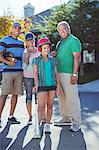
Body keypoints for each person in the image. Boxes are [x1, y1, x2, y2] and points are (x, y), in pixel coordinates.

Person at [52, 21, 82, 132]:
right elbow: (59, 55)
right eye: (59, 29)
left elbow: (77, 58)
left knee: (72, 98)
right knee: (61, 97)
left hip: (69, 73)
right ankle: (66, 118)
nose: (62, 31)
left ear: (68, 29)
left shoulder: (74, 41)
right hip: (58, 73)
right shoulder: (60, 43)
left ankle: (76, 122)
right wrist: (55, 54)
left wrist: (75, 73)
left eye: (63, 28)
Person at [32, 37, 59, 134]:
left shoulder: (53, 60)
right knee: (41, 106)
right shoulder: (36, 60)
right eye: (44, 48)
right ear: (40, 49)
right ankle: (38, 126)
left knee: (50, 105)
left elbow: (56, 74)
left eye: (48, 48)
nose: (46, 50)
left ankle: (48, 124)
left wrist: (58, 86)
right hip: (41, 85)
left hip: (52, 85)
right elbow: (35, 73)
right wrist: (36, 85)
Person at [0, 22, 24, 127]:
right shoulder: (4, 40)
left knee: (15, 94)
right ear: (11, 29)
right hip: (7, 72)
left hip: (19, 72)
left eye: (19, 28)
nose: (17, 29)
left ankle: (11, 116)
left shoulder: (22, 42)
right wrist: (8, 62)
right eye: (15, 27)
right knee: (4, 94)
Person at [22, 32, 40, 125]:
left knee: (40, 97)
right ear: (26, 41)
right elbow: (23, 67)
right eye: (28, 40)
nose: (30, 41)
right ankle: (30, 117)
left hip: (38, 77)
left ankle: (40, 116)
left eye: (32, 39)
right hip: (28, 77)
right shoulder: (24, 52)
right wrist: (26, 57)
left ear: (34, 40)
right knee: (29, 97)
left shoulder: (39, 51)